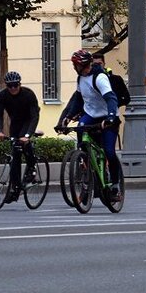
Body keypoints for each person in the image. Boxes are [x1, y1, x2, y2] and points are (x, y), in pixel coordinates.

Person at [56, 49, 122, 198]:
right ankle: (85, 166)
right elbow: (78, 100)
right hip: (91, 115)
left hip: (107, 117)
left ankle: (115, 185)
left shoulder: (99, 78)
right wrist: (67, 117)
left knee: (109, 151)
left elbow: (111, 98)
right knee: (80, 127)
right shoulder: (80, 78)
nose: (74, 68)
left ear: (83, 65)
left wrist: (111, 117)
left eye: (75, 65)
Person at [0, 70, 41, 202]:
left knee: (23, 140)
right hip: (15, 122)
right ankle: (15, 188)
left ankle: (31, 166)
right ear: (6, 86)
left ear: (20, 84)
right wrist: (0, 131)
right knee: (15, 155)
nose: (13, 88)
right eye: (10, 86)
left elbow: (34, 116)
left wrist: (28, 135)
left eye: (15, 85)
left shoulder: (28, 94)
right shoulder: (2, 95)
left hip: (28, 119)